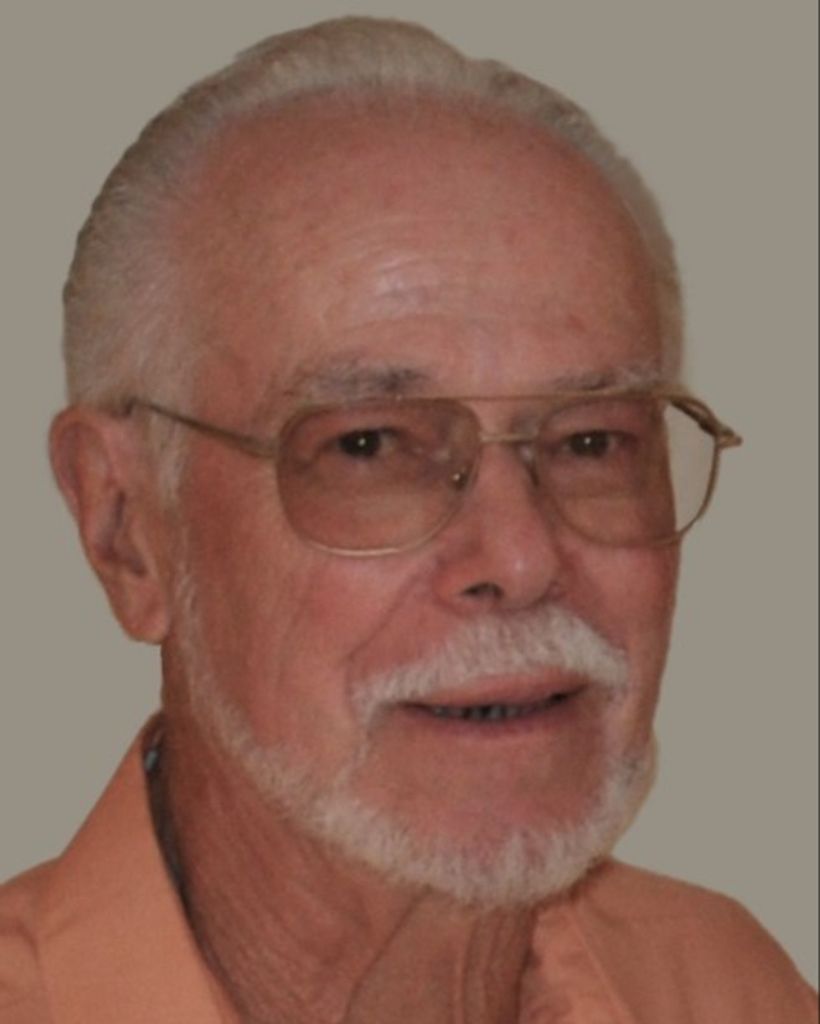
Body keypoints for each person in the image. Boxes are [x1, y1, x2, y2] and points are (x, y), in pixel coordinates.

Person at [0, 15, 815, 1023]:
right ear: (124, 529)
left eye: (591, 442)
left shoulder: (725, 989)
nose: (521, 556)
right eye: (369, 446)